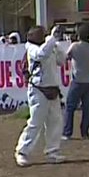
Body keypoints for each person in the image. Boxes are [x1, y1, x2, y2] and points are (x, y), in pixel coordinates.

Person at [14, 24, 66, 167]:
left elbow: (62, 60)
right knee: (35, 122)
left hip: (53, 88)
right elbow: (41, 55)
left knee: (55, 121)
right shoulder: (31, 48)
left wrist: (56, 44)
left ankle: (52, 150)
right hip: (38, 89)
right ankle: (22, 151)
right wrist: (51, 39)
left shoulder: (49, 46)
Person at [63, 22, 89, 140]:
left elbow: (66, 58)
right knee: (87, 108)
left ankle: (67, 132)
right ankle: (85, 132)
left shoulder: (74, 46)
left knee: (70, 107)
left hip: (78, 80)